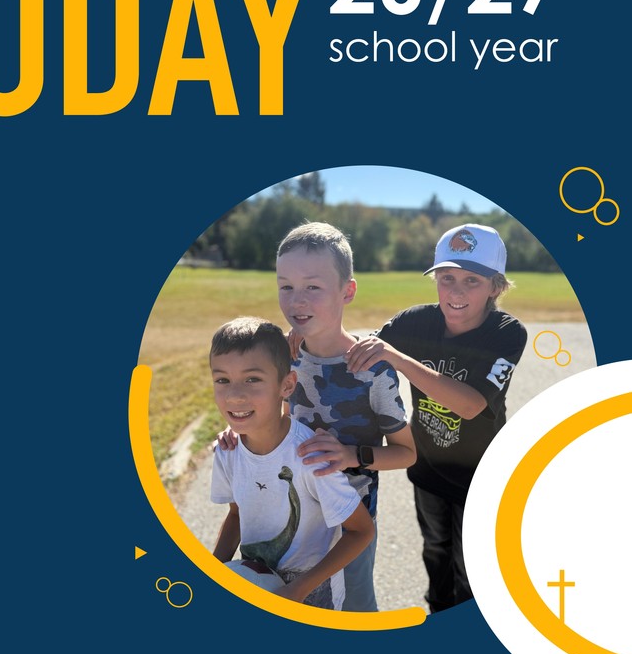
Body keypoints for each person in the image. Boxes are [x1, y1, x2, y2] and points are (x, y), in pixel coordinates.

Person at [218, 222, 417, 612]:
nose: (297, 301)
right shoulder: (283, 353)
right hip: (284, 514)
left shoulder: (372, 369)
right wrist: (239, 425)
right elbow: (274, 412)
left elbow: (407, 453)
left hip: (347, 529)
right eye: (286, 286)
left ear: (348, 291)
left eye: (312, 286)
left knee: (353, 615)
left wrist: (349, 455)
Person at [345, 222, 527, 613]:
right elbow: (361, 351)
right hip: (428, 469)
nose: (456, 291)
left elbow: (470, 404)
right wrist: (304, 338)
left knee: (473, 567)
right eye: (446, 278)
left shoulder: (507, 333)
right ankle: (439, 609)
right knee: (436, 549)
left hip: (481, 477)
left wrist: (396, 357)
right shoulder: (416, 322)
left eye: (471, 281)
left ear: (496, 287)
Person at [209, 316, 375, 610]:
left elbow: (362, 531)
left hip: (311, 598)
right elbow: (236, 515)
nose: (235, 395)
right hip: (254, 587)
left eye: (252, 379)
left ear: (286, 386)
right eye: (222, 380)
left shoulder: (310, 456)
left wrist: (297, 591)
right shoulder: (227, 451)